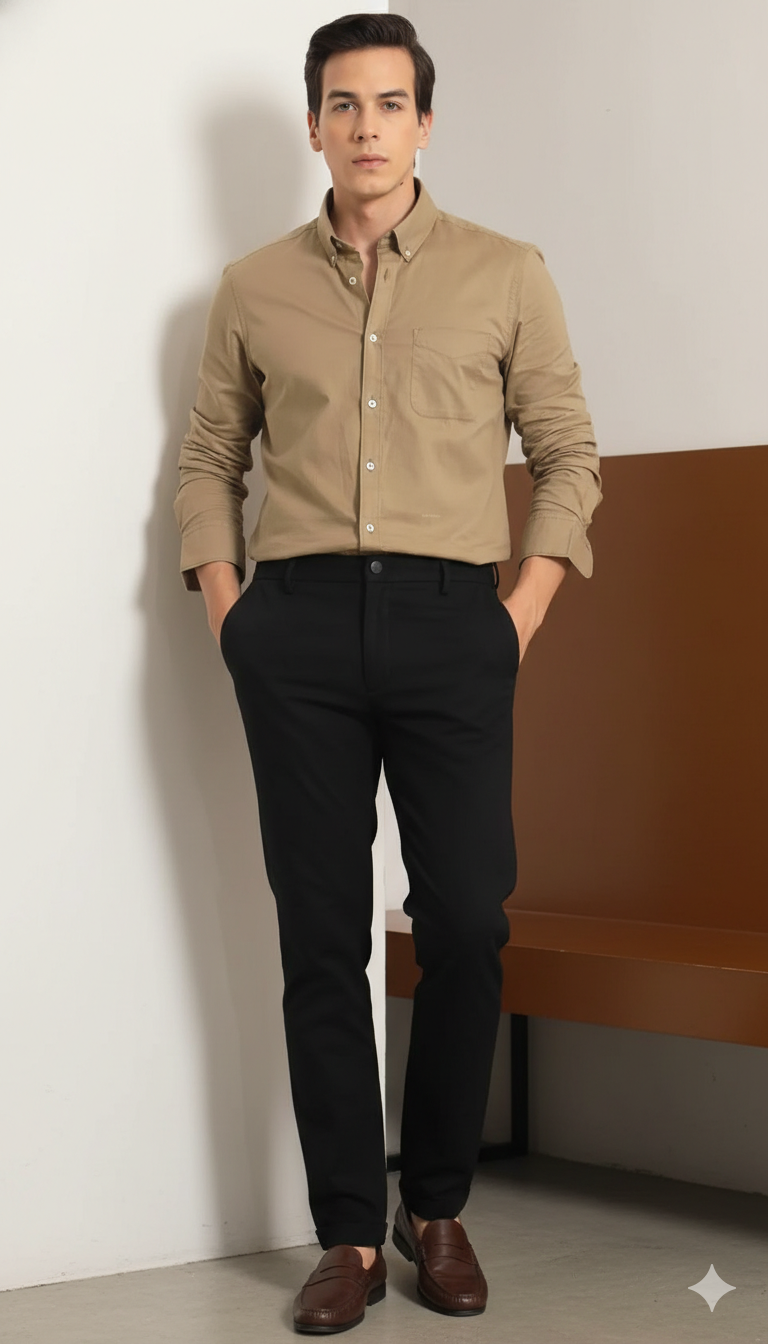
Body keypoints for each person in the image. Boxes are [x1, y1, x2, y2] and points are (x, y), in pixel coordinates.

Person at [173, 11, 602, 1334]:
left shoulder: (505, 272)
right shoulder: (252, 287)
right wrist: (232, 613)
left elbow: (568, 451)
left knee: (465, 921)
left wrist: (518, 614)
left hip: (452, 624)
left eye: (391, 103)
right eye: (344, 104)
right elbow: (210, 459)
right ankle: (351, 1236)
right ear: (314, 126)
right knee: (321, 937)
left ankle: (441, 1206)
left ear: (426, 122)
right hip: (294, 632)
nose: (368, 127)